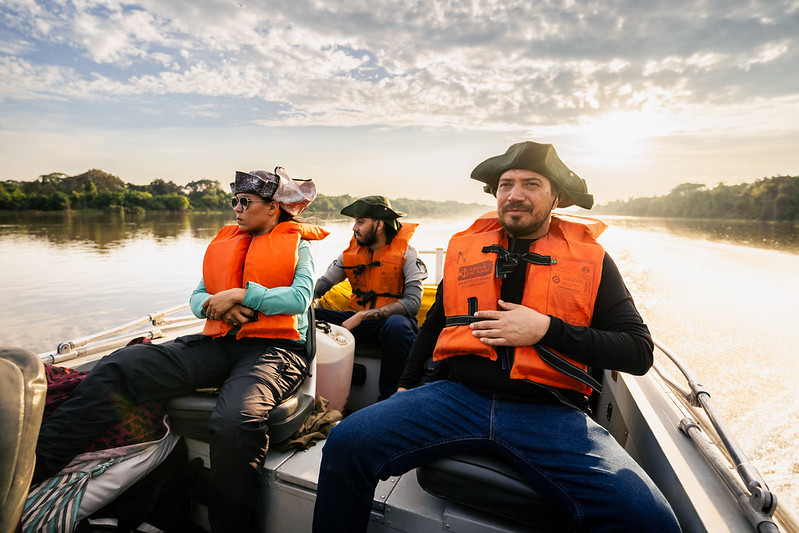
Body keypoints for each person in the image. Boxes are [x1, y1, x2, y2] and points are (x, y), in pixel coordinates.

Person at [312, 142, 681, 532]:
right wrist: (405, 387)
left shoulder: (593, 262)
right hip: (456, 397)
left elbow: (639, 352)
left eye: (531, 184)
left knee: (649, 519)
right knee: (346, 444)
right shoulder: (467, 252)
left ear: (555, 196)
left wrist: (546, 329)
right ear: (496, 193)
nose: (515, 194)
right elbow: (435, 324)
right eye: (506, 184)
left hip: (549, 412)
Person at [33, 167, 328, 532]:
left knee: (236, 420)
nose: (236, 208)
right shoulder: (226, 242)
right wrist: (213, 305)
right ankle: (32, 469)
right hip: (221, 342)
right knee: (124, 365)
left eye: (244, 201)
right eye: (233, 201)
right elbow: (196, 296)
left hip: (276, 350)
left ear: (272, 208)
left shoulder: (298, 245)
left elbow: (301, 297)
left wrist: (243, 294)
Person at [313, 196, 427, 399]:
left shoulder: (408, 255)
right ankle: (313, 392)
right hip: (359, 323)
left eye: (360, 221)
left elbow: (412, 304)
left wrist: (363, 316)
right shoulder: (349, 254)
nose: (354, 228)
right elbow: (321, 286)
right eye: (354, 222)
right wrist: (304, 300)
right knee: (310, 315)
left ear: (380, 224)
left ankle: (391, 400)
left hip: (391, 324)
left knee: (398, 326)